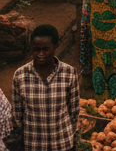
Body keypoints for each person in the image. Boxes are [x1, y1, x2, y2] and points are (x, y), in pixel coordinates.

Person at [12, 23, 79, 151]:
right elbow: (18, 113)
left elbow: (74, 111)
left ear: (55, 47)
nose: (40, 54)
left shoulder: (69, 73)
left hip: (62, 144)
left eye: (45, 49)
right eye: (36, 49)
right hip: (34, 144)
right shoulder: (20, 75)